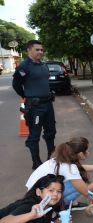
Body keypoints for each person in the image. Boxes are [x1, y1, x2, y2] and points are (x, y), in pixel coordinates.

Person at [12, 40, 56, 170]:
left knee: (51, 132)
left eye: (42, 50)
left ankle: (51, 158)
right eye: (37, 50)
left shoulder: (43, 65)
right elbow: (16, 85)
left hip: (48, 104)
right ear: (29, 50)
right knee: (34, 136)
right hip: (35, 107)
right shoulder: (24, 66)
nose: (40, 52)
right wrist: (27, 96)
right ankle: (36, 162)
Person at [26, 137, 93, 208]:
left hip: (34, 193)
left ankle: (63, 204)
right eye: (87, 150)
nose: (88, 152)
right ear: (81, 154)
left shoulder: (61, 159)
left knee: (76, 179)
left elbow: (79, 169)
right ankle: (57, 207)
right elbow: (86, 191)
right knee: (80, 183)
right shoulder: (70, 168)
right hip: (40, 200)